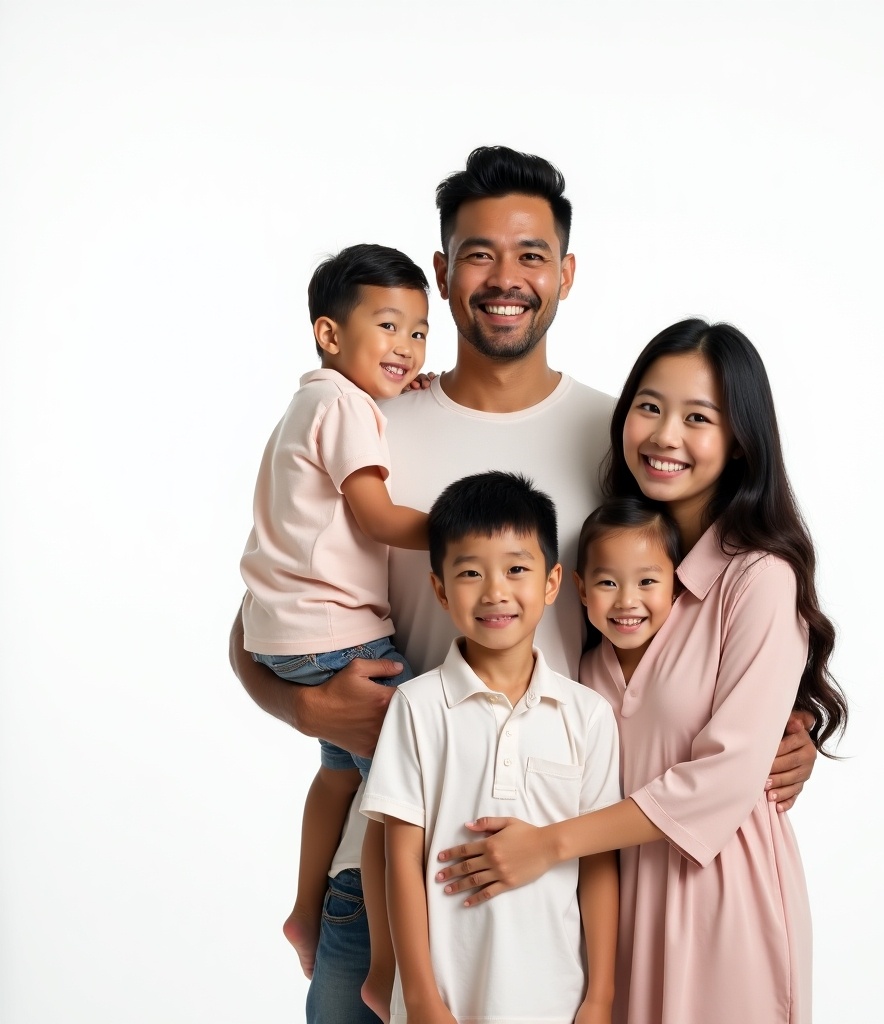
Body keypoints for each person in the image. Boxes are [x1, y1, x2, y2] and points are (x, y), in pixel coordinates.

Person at [227, 148, 820, 1024]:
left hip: (556, 886)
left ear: (567, 273)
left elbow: (694, 609)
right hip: (390, 858)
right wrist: (302, 707)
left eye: (532, 255)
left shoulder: (620, 439)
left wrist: (791, 718)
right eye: (478, 253)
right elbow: (266, 609)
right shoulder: (370, 423)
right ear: (440, 271)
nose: (506, 279)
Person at [434, 319, 849, 1023]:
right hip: (610, 897)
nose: (665, 436)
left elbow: (727, 772)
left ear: (741, 439)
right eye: (649, 407)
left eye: (699, 417)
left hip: (719, 894)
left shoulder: (758, 578)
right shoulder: (602, 571)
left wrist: (548, 846)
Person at [238, 243, 431, 1000]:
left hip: (285, 636)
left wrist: (402, 382)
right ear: (328, 333)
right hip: (341, 636)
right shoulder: (348, 407)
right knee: (409, 780)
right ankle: (383, 966)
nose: (407, 348)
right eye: (388, 328)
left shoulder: (310, 401)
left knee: (335, 772)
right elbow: (376, 515)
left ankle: (302, 911)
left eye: (419, 333)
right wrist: (460, 531)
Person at [362, 471, 621, 1024]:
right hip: (446, 1004)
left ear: (552, 583)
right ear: (439, 589)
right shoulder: (417, 706)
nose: (495, 591)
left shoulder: (588, 715)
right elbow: (399, 859)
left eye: (517, 569)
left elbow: (598, 861)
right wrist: (423, 1000)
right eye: (471, 572)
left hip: (554, 999)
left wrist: (599, 998)